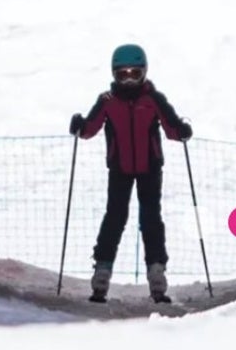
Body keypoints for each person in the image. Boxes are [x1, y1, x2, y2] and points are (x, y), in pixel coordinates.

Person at [69, 44, 192, 304]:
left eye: (134, 74)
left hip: (150, 168)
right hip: (120, 169)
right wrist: (80, 126)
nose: (128, 80)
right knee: (115, 217)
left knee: (150, 219)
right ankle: (101, 273)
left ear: (144, 73)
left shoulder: (153, 99)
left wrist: (181, 129)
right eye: (122, 74)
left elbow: (170, 128)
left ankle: (157, 275)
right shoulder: (108, 101)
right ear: (114, 75)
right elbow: (90, 128)